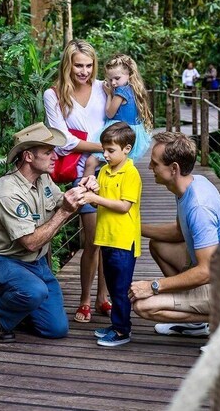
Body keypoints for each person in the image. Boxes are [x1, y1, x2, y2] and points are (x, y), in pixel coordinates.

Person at [0, 122, 97, 342]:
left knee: (57, 330)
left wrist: (84, 190)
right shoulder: (7, 191)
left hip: (37, 264)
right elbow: (31, 243)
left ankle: (22, 307)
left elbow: (62, 199)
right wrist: (63, 213)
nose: (55, 158)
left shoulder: (43, 178)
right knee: (34, 292)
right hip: (3, 262)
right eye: (48, 152)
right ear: (28, 157)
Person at [128, 131, 220, 336]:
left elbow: (205, 271)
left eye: (155, 164)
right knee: (157, 245)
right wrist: (135, 228)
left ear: (174, 169)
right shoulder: (189, 184)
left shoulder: (199, 205)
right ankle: (194, 317)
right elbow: (180, 232)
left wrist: (153, 286)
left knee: (143, 306)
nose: (149, 168)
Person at [44, 39, 111, 323]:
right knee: (93, 239)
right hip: (81, 175)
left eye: (89, 65)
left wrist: (109, 151)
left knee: (111, 238)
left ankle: (103, 298)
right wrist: (106, 147)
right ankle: (84, 299)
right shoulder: (55, 94)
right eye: (78, 65)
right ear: (67, 64)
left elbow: (120, 123)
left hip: (112, 170)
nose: (84, 71)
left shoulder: (104, 89)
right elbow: (62, 142)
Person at [80, 122, 142, 347]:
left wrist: (95, 199)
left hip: (123, 240)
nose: (105, 154)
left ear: (126, 149)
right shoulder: (105, 171)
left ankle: (122, 331)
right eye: (104, 149)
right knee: (113, 284)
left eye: (110, 150)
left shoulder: (131, 173)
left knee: (120, 287)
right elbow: (102, 205)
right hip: (106, 237)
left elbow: (124, 206)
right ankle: (116, 325)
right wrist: (93, 191)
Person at [82, 53, 153, 178]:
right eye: (110, 79)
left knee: (90, 163)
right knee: (117, 166)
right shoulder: (133, 89)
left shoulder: (120, 92)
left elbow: (109, 113)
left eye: (117, 78)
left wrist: (109, 94)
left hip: (118, 132)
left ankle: (84, 194)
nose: (113, 83)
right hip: (131, 132)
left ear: (129, 75)